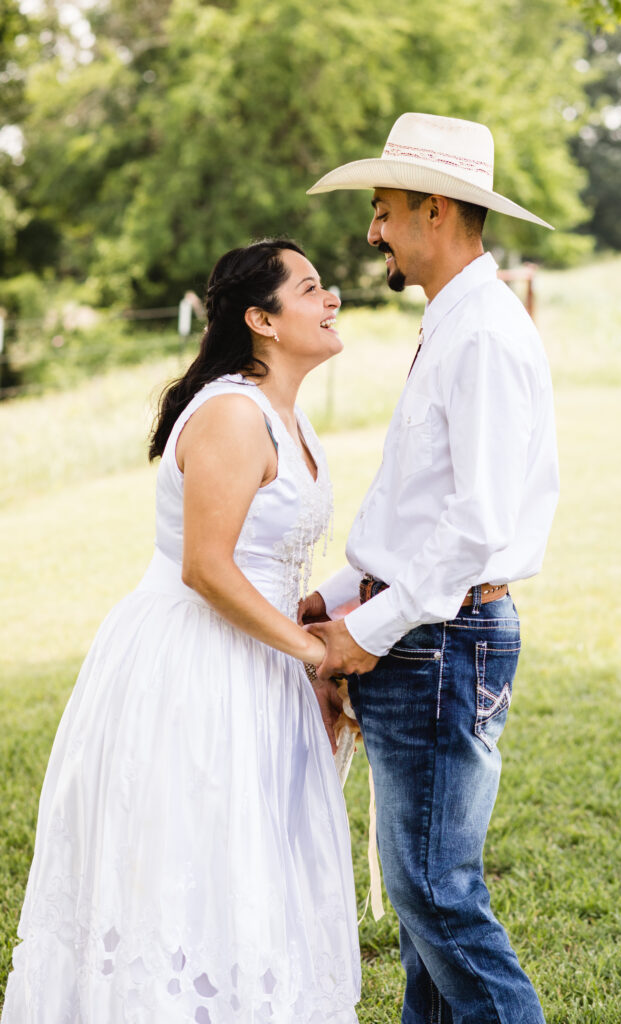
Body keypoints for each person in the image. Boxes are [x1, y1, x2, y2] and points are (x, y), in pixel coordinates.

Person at [2, 240, 361, 1023]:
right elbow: (207, 567)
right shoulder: (234, 414)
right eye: (310, 288)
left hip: (257, 658)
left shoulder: (285, 418)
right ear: (261, 319)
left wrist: (309, 637)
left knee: (252, 864)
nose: (330, 298)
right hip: (196, 663)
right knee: (192, 858)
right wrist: (314, 653)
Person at [299, 113, 560, 1024]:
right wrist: (332, 596)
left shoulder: (482, 333)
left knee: (435, 896)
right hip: (424, 633)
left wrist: (363, 632)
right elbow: (410, 507)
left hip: (438, 642)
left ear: (434, 210)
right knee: (422, 912)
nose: (371, 232)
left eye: (382, 210)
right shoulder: (454, 323)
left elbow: (474, 522)